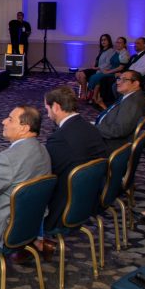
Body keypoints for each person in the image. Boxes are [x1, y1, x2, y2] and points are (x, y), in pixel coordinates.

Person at [0, 106, 51, 272]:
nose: (3, 121)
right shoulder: (43, 151)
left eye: (10, 119)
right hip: (29, 225)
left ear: (24, 128)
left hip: (3, 231)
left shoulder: (6, 160)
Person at [43, 86, 107, 232]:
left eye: (47, 109)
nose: (48, 115)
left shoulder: (59, 138)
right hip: (90, 198)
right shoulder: (91, 128)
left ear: (56, 107)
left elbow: (48, 175)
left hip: (64, 207)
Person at [95, 70, 145, 154]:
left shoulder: (132, 103)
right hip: (106, 134)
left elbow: (119, 130)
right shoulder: (130, 96)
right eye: (119, 79)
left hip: (110, 145)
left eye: (124, 80)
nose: (118, 82)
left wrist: (94, 129)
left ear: (135, 83)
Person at [91, 36, 130, 108]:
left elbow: (120, 67)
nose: (118, 44)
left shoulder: (124, 54)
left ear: (124, 44)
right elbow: (110, 64)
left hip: (117, 73)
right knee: (97, 75)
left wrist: (108, 72)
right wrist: (105, 70)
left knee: (98, 77)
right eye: (117, 42)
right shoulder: (117, 52)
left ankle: (98, 98)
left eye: (120, 43)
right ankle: (95, 97)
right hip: (111, 70)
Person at [75, 34, 115, 99]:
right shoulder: (102, 50)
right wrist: (94, 64)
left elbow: (107, 64)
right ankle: (84, 92)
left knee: (81, 74)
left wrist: (97, 68)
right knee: (77, 74)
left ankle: (83, 94)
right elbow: (97, 60)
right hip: (96, 68)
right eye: (102, 40)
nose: (103, 41)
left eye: (105, 40)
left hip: (101, 70)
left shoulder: (111, 51)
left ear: (109, 41)